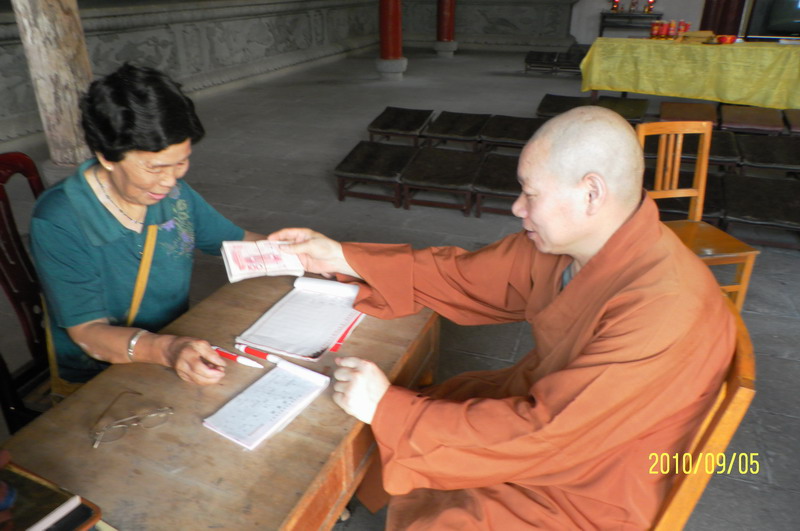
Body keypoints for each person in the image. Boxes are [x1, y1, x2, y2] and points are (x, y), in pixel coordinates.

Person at [268, 106, 736, 529]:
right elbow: (462, 276)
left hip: (595, 476)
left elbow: (551, 435)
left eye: (530, 194)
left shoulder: (665, 306)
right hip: (562, 420)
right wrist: (342, 257)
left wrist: (385, 409)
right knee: (436, 400)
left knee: (415, 441)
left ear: (591, 193)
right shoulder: (576, 246)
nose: (517, 208)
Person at [31, 63, 266, 386]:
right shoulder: (59, 220)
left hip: (174, 344)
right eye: (155, 168)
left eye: (181, 162)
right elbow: (88, 332)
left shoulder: (176, 196)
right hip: (102, 369)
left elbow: (236, 242)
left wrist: (311, 254)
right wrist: (167, 349)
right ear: (107, 157)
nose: (170, 182)